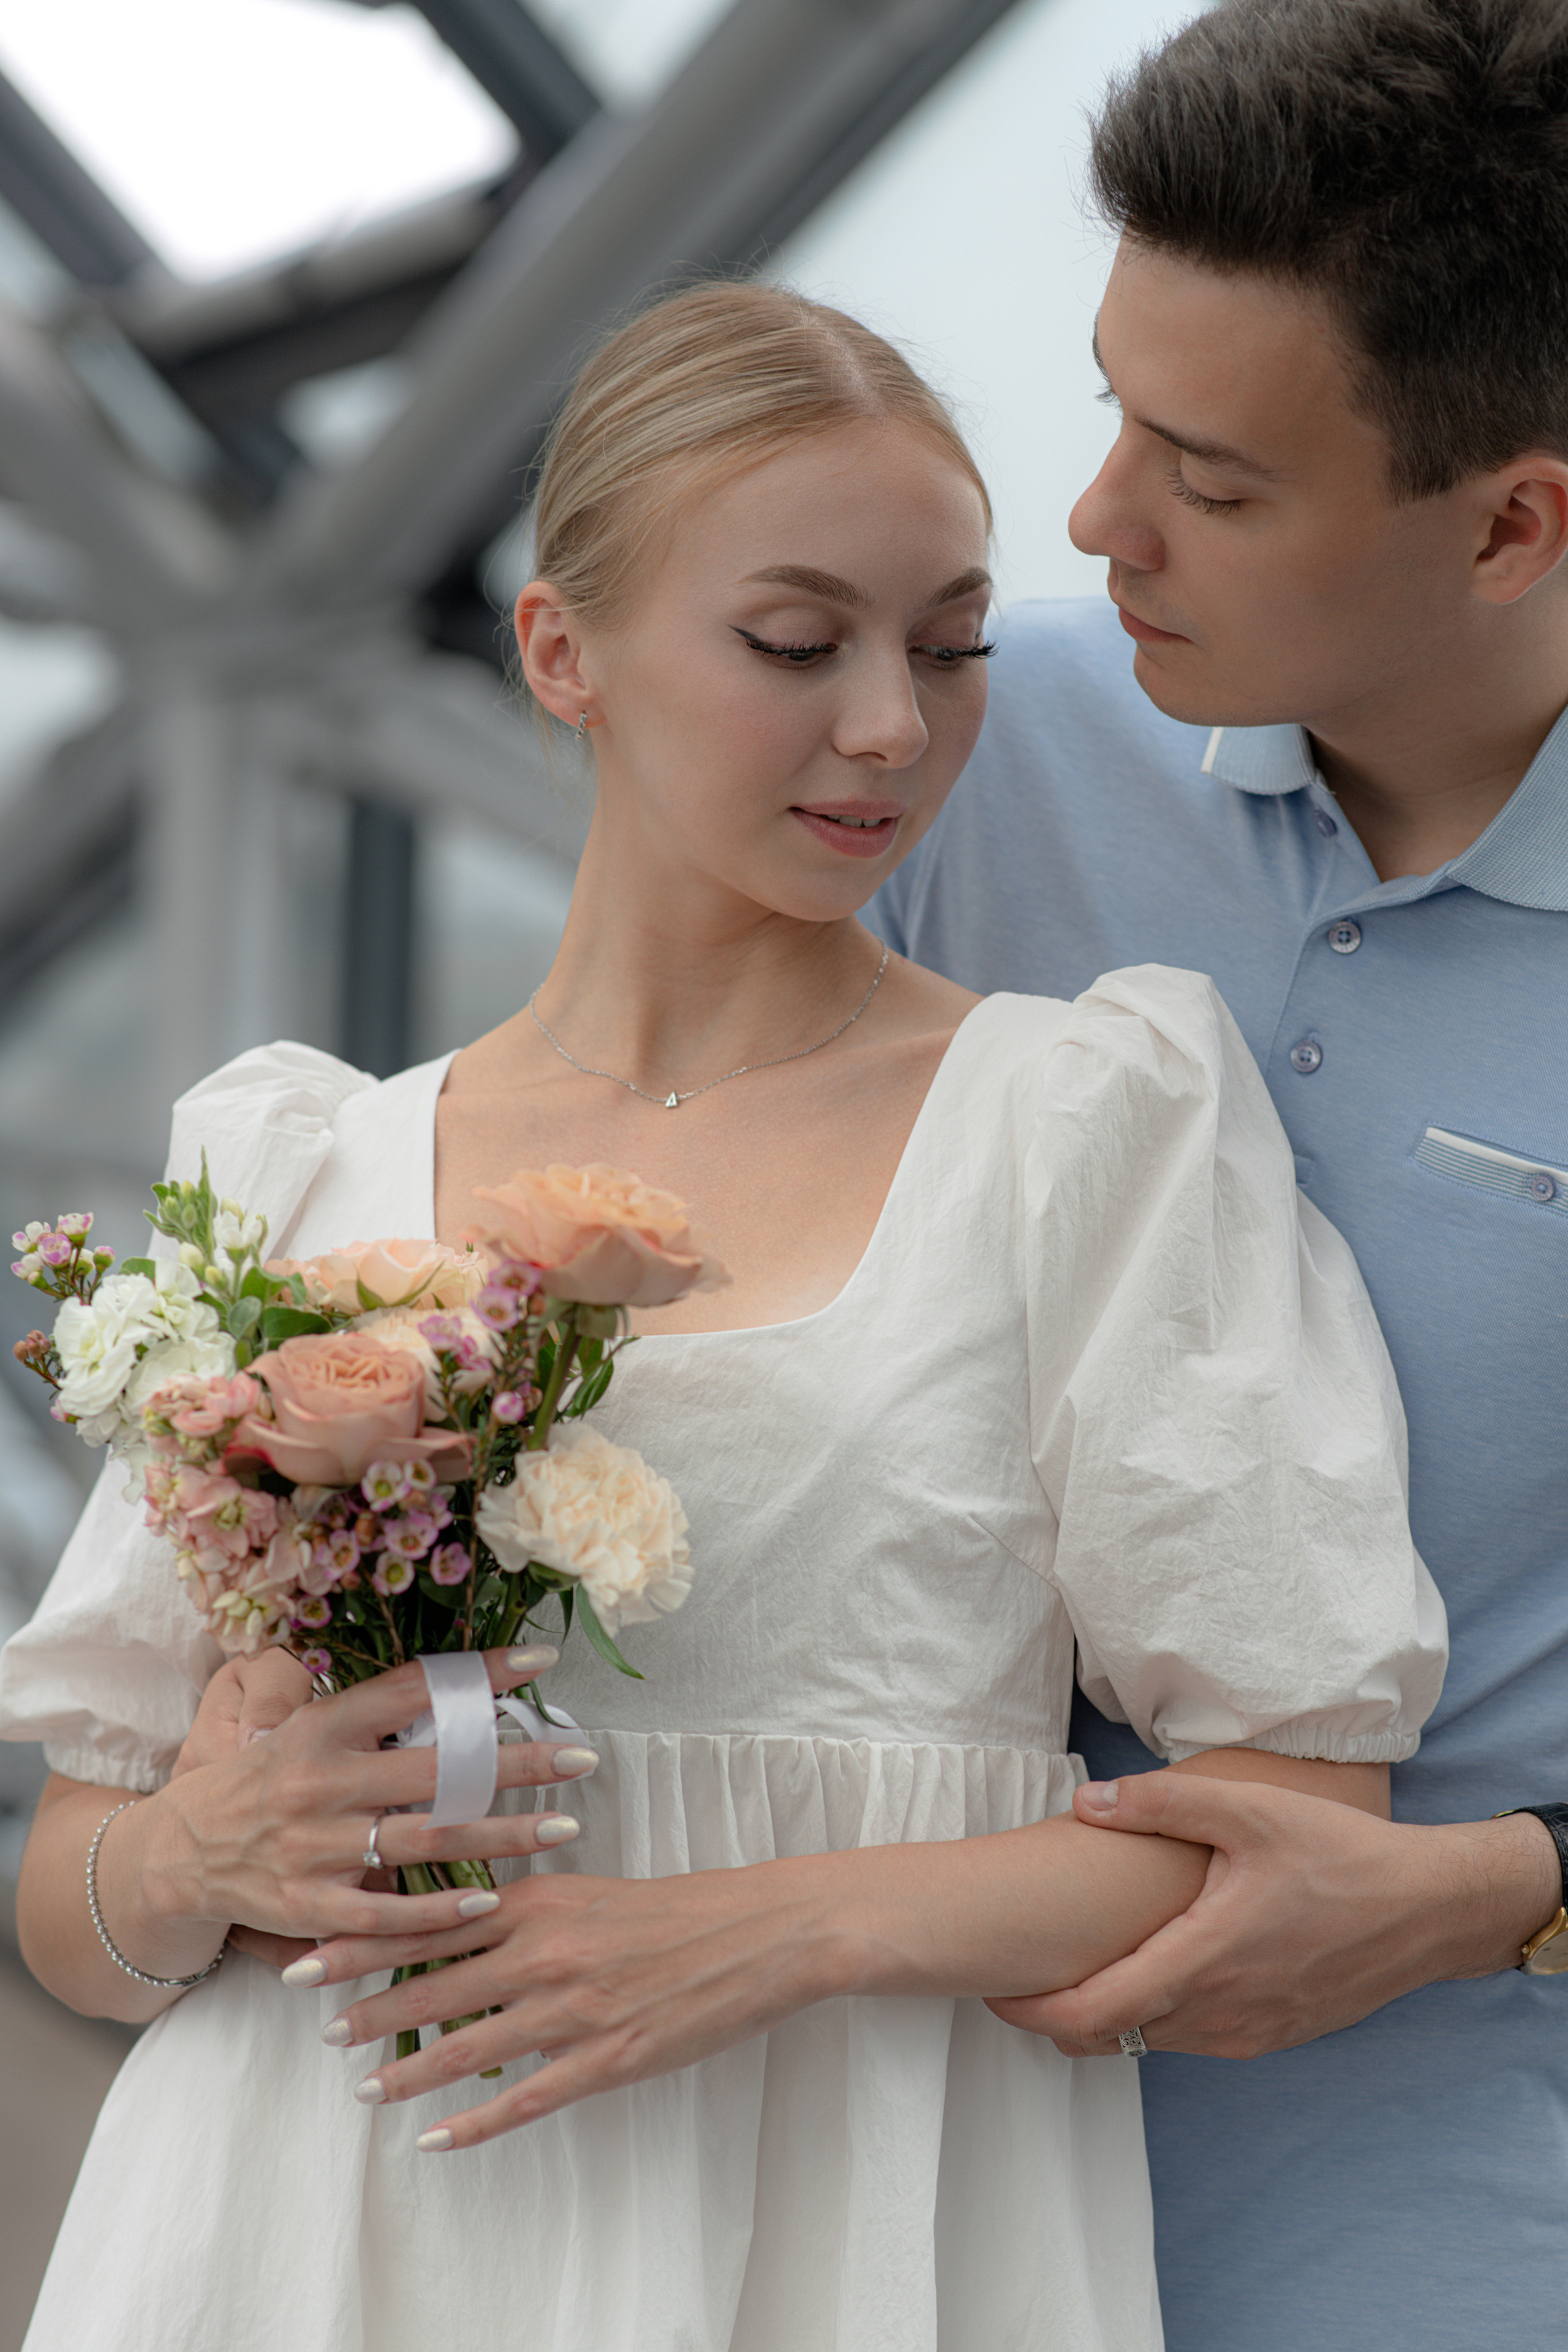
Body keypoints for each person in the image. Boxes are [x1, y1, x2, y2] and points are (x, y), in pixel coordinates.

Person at [0, 283, 1443, 2352]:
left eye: (950, 648)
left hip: (837, 2234)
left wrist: (758, 1932)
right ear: (559, 650)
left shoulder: (1081, 1122)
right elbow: (78, 1885)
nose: (893, 723)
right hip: (285, 2235)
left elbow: (1301, 1817)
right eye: (797, 644)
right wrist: (195, 1853)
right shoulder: (293, 1169)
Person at [869, 2, 1568, 2346]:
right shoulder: (951, 758)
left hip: (1451, 2244)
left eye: (1216, 481)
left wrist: (1494, 1891)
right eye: (1109, 418)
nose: (1096, 527)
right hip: (867, 2189)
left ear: (1515, 519)